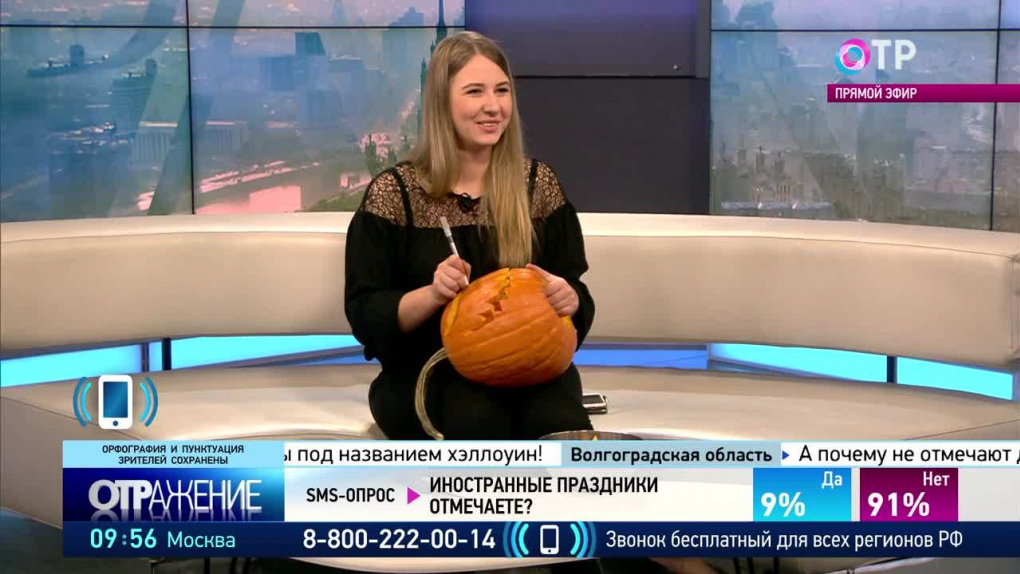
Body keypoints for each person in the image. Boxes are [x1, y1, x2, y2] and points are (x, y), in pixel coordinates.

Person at [344, 31, 596, 440]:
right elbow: (365, 313)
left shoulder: (537, 185)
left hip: (529, 369)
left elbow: (575, 293)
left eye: (502, 90)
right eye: (475, 91)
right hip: (426, 372)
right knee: (478, 419)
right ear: (442, 102)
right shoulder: (395, 195)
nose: (493, 106)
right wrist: (432, 294)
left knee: (559, 425)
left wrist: (570, 300)